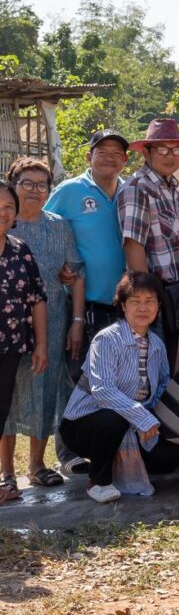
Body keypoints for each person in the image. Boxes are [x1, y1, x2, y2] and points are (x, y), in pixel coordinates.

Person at [45, 129, 129, 474]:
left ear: (126, 160)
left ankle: (105, 446)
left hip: (122, 306)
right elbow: (45, 227)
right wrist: (58, 266)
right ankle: (68, 452)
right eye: (102, 151)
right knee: (75, 376)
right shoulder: (70, 191)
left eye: (116, 153)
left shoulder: (129, 191)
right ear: (88, 156)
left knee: (113, 380)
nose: (109, 158)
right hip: (81, 304)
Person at [59, 272, 179, 503]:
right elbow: (102, 390)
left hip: (134, 425)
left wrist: (152, 421)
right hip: (84, 423)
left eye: (150, 301)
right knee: (113, 419)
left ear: (158, 306)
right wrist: (141, 417)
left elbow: (163, 383)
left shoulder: (157, 344)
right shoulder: (106, 339)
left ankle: (121, 463)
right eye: (135, 301)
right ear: (123, 306)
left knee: (170, 459)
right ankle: (99, 481)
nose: (143, 308)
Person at [0, 159, 85, 493]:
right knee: (7, 393)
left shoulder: (59, 226)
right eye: (26, 183)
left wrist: (77, 322)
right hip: (8, 326)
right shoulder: (6, 224)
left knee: (45, 388)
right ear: (12, 185)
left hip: (50, 320)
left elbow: (75, 274)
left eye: (41, 185)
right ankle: (6, 470)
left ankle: (37, 465)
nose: (34, 191)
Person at [118, 117, 179, 365]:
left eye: (177, 149)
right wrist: (147, 300)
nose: (170, 155)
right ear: (146, 152)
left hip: (176, 294)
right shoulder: (137, 188)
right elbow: (133, 246)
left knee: (166, 365)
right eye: (162, 149)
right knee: (147, 366)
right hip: (155, 293)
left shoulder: (173, 189)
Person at [0, 179, 47, 504]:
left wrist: (41, 344)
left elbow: (37, 298)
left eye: (8, 207)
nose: (2, 213)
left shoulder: (20, 249)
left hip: (11, 348)